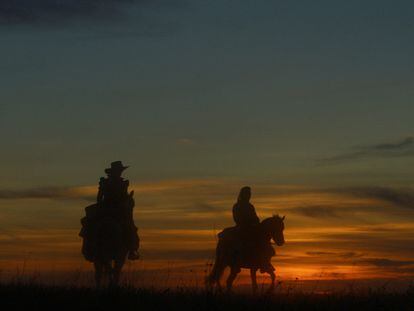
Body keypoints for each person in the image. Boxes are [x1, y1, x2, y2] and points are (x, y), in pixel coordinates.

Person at [97, 161, 140, 260]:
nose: (120, 173)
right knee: (91, 225)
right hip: (107, 209)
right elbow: (99, 197)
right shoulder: (105, 182)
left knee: (132, 228)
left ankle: (132, 250)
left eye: (120, 171)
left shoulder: (123, 183)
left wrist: (126, 201)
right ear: (113, 172)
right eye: (118, 171)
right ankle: (93, 248)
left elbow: (124, 196)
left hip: (120, 210)